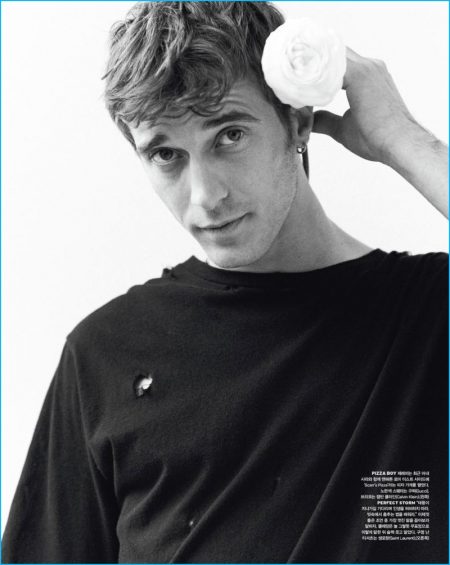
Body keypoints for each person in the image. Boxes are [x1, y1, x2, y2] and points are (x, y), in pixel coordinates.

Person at [2, 2, 448, 563]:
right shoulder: (106, 353)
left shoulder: (431, 318)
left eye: (229, 135)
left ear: (298, 122)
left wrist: (401, 139)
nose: (205, 196)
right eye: (166, 153)